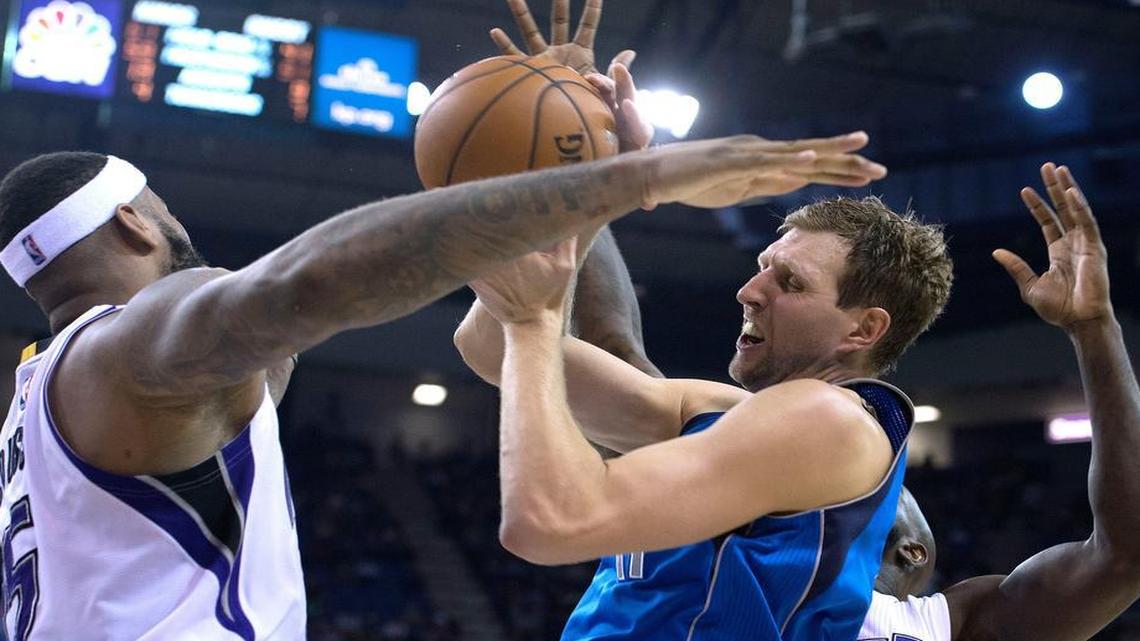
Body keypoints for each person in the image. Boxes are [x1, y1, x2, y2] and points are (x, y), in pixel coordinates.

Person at [0, 79, 887, 641]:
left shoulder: (44, 382)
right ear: (131, 219)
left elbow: (609, 355)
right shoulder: (134, 345)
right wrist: (634, 180)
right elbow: (303, 285)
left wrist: (558, 164)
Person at [456, 21, 951, 636]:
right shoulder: (724, 411)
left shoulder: (831, 421)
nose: (749, 291)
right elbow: (486, 342)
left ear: (863, 329)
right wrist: (585, 171)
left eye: (789, 283)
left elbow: (548, 521)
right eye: (761, 268)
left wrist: (535, 321)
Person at [860, 163, 1140, 641]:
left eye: (861, 494)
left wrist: (1094, 329)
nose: (829, 495)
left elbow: (1126, 554)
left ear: (911, 550)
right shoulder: (743, 584)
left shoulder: (953, 625)